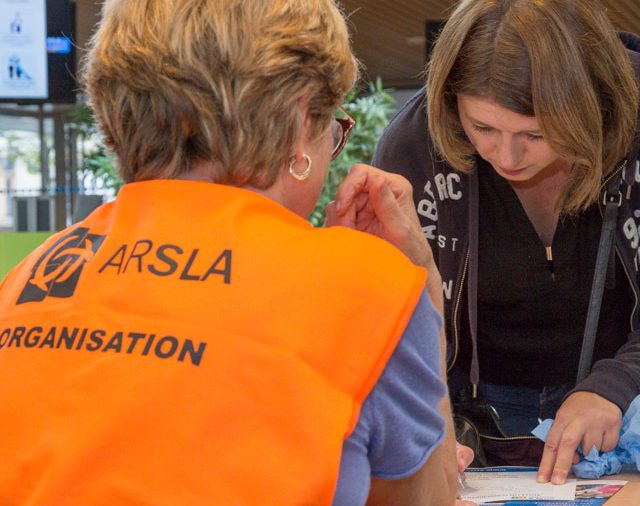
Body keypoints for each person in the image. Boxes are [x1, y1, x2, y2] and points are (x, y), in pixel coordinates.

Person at [0, 0, 462, 504]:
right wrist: (423, 287)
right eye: (331, 126)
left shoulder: (31, 277)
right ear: (299, 119)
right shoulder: (371, 289)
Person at [370, 0, 640, 487]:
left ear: (592, 109)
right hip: (472, 411)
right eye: (483, 128)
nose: (507, 156)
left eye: (535, 133)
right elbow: (391, 314)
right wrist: (423, 414)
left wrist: (615, 385)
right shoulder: (412, 145)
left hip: (627, 401)